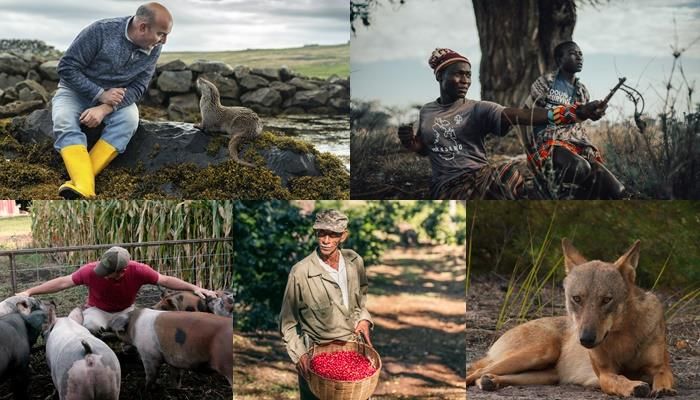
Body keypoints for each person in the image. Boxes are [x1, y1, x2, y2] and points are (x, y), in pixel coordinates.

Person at [398, 47, 607, 200]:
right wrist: (411, 144)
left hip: (479, 175)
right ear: (440, 76)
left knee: (511, 173)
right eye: (458, 74)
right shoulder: (427, 111)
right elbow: (427, 149)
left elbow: (518, 116)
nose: (465, 80)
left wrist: (574, 111)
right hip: (445, 186)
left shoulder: (477, 108)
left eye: (468, 75)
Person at [52, 2, 173, 199]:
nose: (164, 41)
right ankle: (86, 186)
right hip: (73, 92)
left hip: (115, 100)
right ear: (142, 27)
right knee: (63, 120)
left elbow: (139, 88)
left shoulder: (154, 47)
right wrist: (100, 93)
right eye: (161, 34)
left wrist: (105, 108)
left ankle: (82, 184)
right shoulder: (100, 31)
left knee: (129, 121)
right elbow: (66, 68)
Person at [279, 210, 373, 400]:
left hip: (352, 348)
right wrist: (300, 355)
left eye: (333, 234)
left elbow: (361, 297)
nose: (326, 240)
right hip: (316, 353)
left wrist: (364, 318)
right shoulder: (301, 272)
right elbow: (287, 322)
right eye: (321, 233)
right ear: (315, 234)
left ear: (343, 235)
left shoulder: (355, 262)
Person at [15, 246, 215, 334]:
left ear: (122, 271)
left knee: (142, 329)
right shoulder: (91, 271)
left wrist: (194, 287)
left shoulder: (139, 271)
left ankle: (129, 351)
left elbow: (166, 280)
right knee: (90, 327)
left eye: (108, 272)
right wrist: (30, 292)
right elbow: (63, 282)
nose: (102, 274)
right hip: (97, 309)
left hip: (126, 309)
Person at [524, 41, 625, 199]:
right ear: (559, 59)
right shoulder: (546, 83)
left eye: (581, 54)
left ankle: (574, 197)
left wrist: (594, 114)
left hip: (577, 146)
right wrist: (530, 151)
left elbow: (580, 122)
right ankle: (545, 190)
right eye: (573, 53)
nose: (579, 57)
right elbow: (527, 114)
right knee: (580, 167)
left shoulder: (582, 91)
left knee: (617, 190)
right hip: (549, 143)